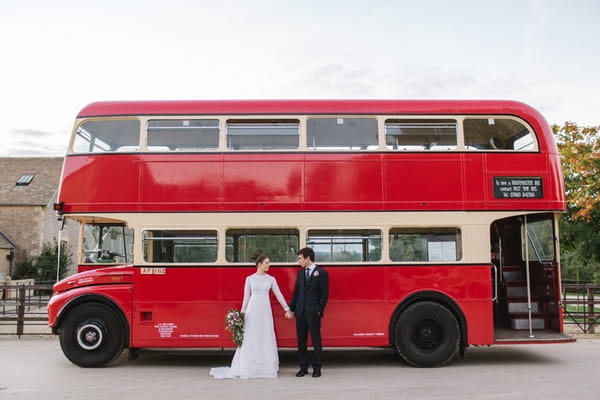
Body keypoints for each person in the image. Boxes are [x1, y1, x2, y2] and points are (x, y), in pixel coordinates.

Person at [209, 255, 290, 379]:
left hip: (265, 311)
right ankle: (249, 366)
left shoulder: (271, 279)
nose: (269, 265)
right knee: (250, 336)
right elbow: (246, 298)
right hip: (252, 311)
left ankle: (265, 367)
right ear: (260, 264)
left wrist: (287, 309)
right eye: (267, 263)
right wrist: (242, 314)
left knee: (265, 335)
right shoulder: (250, 279)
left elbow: (279, 295)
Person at [285, 247, 329, 378]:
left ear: (308, 258)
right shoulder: (300, 273)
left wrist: (319, 310)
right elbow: (296, 293)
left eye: (300, 258)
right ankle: (303, 368)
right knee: (301, 341)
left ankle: (317, 368)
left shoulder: (322, 273)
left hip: (313, 312)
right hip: (300, 312)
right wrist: (292, 309)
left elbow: (324, 294)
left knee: (316, 341)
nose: (299, 261)